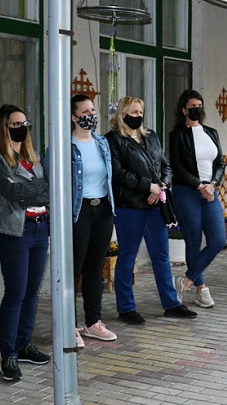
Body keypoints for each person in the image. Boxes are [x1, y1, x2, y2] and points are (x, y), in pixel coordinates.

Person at [106, 96, 196, 323]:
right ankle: (126, 308)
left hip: (157, 205)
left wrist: (162, 186)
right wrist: (149, 186)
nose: (138, 116)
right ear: (122, 114)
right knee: (128, 255)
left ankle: (171, 303)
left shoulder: (150, 136)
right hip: (130, 206)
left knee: (161, 255)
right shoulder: (113, 140)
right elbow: (119, 173)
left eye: (140, 112)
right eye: (133, 112)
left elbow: (165, 164)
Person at [0, 105, 51, 381]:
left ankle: (24, 345)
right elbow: (11, 192)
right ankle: (8, 355)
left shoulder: (33, 156)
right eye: (16, 123)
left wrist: (31, 191)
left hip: (40, 229)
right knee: (16, 292)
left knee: (33, 291)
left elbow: (49, 188)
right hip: (15, 233)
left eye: (25, 122)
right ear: (5, 127)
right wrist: (38, 189)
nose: (22, 127)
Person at [168, 90, 227, 308]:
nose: (197, 108)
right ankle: (201, 289)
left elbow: (220, 162)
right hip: (187, 192)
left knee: (218, 239)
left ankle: (185, 281)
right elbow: (177, 167)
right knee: (193, 241)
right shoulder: (176, 135)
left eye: (200, 105)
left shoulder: (211, 132)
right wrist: (199, 184)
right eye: (192, 105)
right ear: (184, 109)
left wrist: (213, 184)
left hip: (210, 191)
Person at [70, 94, 117, 347]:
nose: (91, 115)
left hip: (102, 210)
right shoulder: (65, 146)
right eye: (85, 111)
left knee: (95, 268)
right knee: (73, 270)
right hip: (79, 212)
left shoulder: (101, 143)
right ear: (73, 117)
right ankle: (69, 326)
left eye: (92, 110)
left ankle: (92, 323)